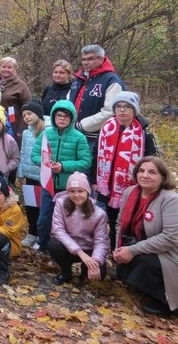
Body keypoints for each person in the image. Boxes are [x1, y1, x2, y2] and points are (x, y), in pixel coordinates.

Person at [114, 156, 178, 316]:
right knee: (127, 267)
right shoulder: (130, 192)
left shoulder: (171, 199)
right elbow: (120, 223)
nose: (145, 175)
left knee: (144, 262)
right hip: (141, 245)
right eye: (141, 171)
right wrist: (119, 249)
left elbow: (171, 237)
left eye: (152, 172)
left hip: (168, 252)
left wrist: (132, 250)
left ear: (163, 177)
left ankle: (168, 303)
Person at [95, 91, 158, 250]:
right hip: (107, 187)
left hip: (133, 189)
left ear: (134, 110)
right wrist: (93, 180)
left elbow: (153, 163)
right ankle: (115, 255)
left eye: (127, 107)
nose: (122, 110)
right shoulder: (105, 130)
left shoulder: (144, 135)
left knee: (129, 225)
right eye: (119, 106)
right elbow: (95, 155)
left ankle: (129, 258)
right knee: (112, 222)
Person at [32, 100, 92, 251]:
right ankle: (43, 244)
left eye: (66, 116)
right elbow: (34, 155)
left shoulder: (79, 137)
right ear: (53, 117)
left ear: (72, 118)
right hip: (48, 185)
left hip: (69, 189)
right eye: (59, 115)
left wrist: (63, 167)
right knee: (44, 219)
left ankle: (65, 249)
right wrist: (47, 164)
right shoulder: (45, 134)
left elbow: (86, 161)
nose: (62, 119)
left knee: (68, 221)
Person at [69, 45, 126, 179]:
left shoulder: (111, 80)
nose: (85, 63)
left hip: (96, 138)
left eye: (90, 59)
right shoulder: (79, 78)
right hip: (74, 135)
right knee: (75, 175)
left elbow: (111, 111)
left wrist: (82, 125)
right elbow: (69, 102)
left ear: (101, 59)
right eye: (83, 59)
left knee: (89, 175)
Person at [49, 172, 108, 285]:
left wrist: (95, 261)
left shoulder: (99, 214)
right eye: (72, 191)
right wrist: (80, 253)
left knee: (101, 273)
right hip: (68, 247)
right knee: (53, 244)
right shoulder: (61, 204)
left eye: (80, 191)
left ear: (87, 192)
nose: (76, 195)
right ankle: (66, 272)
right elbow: (58, 230)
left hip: (88, 248)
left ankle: (85, 270)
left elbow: (101, 241)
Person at [17, 100, 47, 249]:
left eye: (29, 114)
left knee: (43, 207)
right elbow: (23, 153)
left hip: (43, 177)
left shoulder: (48, 131)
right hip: (29, 175)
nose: (26, 117)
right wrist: (20, 171)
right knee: (31, 207)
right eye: (24, 115)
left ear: (38, 114)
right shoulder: (26, 133)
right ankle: (32, 233)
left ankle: (42, 235)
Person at [0, 57, 31, 145]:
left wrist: (21, 129)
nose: (6, 69)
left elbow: (28, 107)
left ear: (14, 69)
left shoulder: (20, 85)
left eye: (9, 67)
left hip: (12, 123)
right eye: (4, 67)